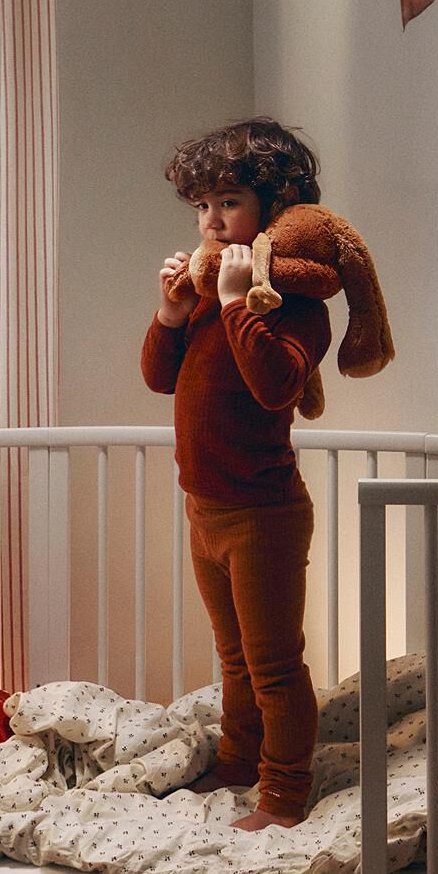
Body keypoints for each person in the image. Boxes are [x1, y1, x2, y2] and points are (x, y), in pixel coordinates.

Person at [140, 117, 331, 831]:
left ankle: (284, 793)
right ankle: (239, 763)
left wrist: (232, 303)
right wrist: (170, 312)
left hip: (262, 515)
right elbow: (160, 379)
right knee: (234, 660)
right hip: (205, 510)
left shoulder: (294, 303)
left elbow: (275, 385)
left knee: (274, 665)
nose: (211, 221)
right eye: (202, 206)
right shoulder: (200, 293)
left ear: (272, 209)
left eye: (229, 202)